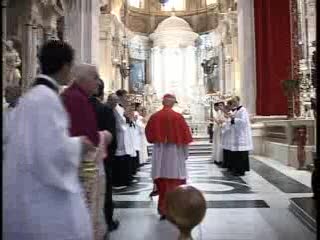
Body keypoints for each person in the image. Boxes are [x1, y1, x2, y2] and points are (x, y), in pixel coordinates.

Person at [3, 40, 94, 240]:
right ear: (65, 66)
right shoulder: (46, 99)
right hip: (43, 197)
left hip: (26, 189)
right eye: (71, 67)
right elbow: (51, 152)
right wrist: (79, 144)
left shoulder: (31, 98)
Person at [145, 94, 193, 220]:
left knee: (162, 182)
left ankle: (163, 209)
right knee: (175, 182)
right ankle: (175, 209)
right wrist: (185, 154)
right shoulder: (178, 117)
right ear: (171, 103)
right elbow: (185, 138)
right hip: (175, 154)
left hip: (159, 154)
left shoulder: (155, 117)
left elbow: (149, 136)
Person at [89, 81, 120, 232]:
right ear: (101, 93)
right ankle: (108, 221)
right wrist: (111, 157)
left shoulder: (80, 107)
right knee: (105, 191)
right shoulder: (105, 110)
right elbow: (112, 137)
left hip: (83, 158)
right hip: (103, 158)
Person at [228, 96, 253, 176]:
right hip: (237, 135)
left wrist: (233, 119)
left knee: (241, 154)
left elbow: (244, 122)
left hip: (242, 135)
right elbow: (232, 121)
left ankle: (241, 170)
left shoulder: (243, 110)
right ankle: (237, 169)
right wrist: (231, 120)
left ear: (238, 100)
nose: (234, 103)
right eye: (233, 101)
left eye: (235, 101)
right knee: (237, 154)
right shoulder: (235, 111)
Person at [212, 101, 225, 165]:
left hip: (223, 129)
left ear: (223, 106)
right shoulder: (218, 112)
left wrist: (222, 121)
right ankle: (217, 158)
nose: (220, 107)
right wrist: (219, 121)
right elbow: (217, 121)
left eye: (221, 105)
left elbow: (224, 120)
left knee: (221, 144)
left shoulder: (225, 112)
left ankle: (222, 159)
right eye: (219, 105)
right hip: (218, 129)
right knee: (217, 143)